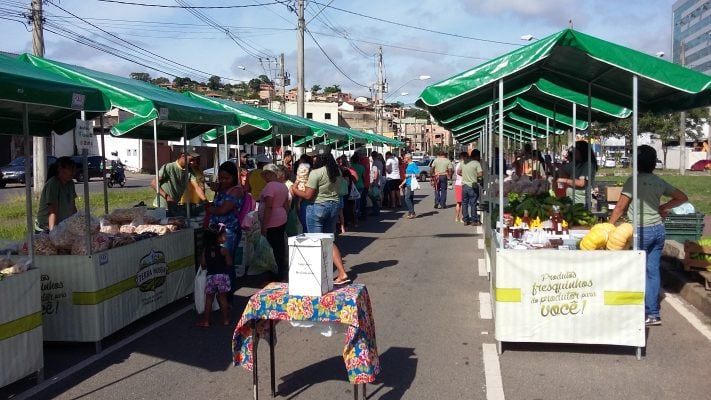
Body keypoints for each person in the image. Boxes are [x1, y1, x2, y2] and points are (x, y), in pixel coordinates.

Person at [609, 145, 688, 327]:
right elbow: (682, 196)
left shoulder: (633, 182)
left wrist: (608, 227)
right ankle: (653, 313)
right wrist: (663, 207)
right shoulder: (659, 182)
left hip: (641, 230)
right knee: (652, 271)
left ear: (636, 163)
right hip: (658, 229)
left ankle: (637, 310)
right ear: (654, 163)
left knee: (636, 270)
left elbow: (620, 207)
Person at [291, 144, 350, 284]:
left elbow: (307, 195)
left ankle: (319, 277)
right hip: (333, 206)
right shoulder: (336, 172)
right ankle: (338, 272)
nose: (313, 159)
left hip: (317, 207)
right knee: (329, 241)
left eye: (315, 156)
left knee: (315, 241)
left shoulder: (316, 173)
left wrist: (294, 189)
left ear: (319, 157)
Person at [204, 161, 244, 302]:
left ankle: (228, 297)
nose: (223, 181)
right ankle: (219, 296)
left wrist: (209, 208)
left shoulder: (237, 191)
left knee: (227, 264)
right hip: (217, 230)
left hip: (229, 232)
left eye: (227, 178)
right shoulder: (222, 188)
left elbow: (223, 210)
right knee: (217, 263)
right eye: (221, 178)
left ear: (234, 177)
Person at [196, 224, 232, 327]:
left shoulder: (205, 251)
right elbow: (229, 263)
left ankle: (206, 321)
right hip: (222, 277)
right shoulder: (224, 250)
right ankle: (225, 320)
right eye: (223, 234)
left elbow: (203, 266)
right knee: (223, 298)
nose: (225, 236)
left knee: (209, 299)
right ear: (217, 237)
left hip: (211, 277)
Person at [259, 164, 290, 282]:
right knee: (279, 247)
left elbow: (269, 206)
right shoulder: (283, 186)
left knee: (271, 250)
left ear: (269, 174)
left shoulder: (270, 186)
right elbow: (286, 205)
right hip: (281, 218)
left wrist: (264, 225)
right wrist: (284, 215)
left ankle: (274, 276)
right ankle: (280, 274)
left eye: (264, 175)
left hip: (271, 220)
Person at [151, 150, 204, 215]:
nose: (192, 163)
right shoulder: (169, 167)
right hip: (161, 206)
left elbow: (197, 188)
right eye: (191, 160)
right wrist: (167, 197)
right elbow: (154, 183)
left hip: (174, 206)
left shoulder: (190, 171)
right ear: (183, 156)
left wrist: (205, 201)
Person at [35, 156, 77, 233]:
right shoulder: (53, 183)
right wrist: (53, 233)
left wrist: (77, 223)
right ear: (60, 169)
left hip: (62, 225)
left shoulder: (70, 184)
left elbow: (73, 207)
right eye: (70, 169)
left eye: (74, 169)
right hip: (47, 228)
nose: (73, 172)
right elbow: (53, 211)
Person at [557, 141, 598, 207]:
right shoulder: (576, 163)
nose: (573, 154)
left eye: (575, 152)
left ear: (582, 152)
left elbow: (582, 183)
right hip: (571, 201)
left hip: (581, 203)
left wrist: (565, 180)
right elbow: (563, 169)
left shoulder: (588, 165)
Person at [461, 150, 483, 226]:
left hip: (464, 185)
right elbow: (480, 174)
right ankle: (474, 220)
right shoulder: (476, 163)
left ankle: (465, 220)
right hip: (473, 185)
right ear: (476, 156)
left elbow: (458, 172)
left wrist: (464, 175)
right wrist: (474, 176)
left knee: (464, 203)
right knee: (473, 203)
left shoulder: (463, 162)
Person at [398, 153, 419, 219]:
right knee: (410, 199)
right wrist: (401, 184)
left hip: (411, 184)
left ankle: (412, 212)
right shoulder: (408, 165)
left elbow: (418, 175)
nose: (404, 159)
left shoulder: (413, 165)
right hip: (408, 183)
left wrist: (409, 175)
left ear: (408, 158)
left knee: (407, 199)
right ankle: (411, 212)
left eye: (405, 158)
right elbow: (406, 177)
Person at [454, 152, 467, 223]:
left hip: (457, 184)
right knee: (464, 202)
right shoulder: (464, 164)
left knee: (458, 202)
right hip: (463, 183)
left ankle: (456, 217)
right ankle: (462, 217)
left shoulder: (457, 165)